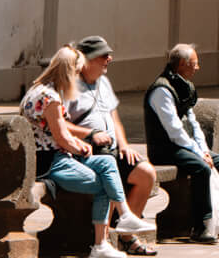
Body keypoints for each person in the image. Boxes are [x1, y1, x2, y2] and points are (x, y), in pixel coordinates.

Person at [21, 45, 156, 252]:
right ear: (69, 70)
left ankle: (126, 215)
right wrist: (82, 147)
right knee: (103, 184)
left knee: (108, 162)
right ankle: (100, 245)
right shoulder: (50, 98)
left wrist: (79, 144)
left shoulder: (38, 90)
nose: (77, 77)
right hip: (51, 163)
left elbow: (60, 135)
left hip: (55, 156)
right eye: (76, 72)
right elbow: (62, 137)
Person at [67, 34, 158, 256]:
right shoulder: (69, 86)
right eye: (103, 55)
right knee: (108, 178)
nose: (109, 59)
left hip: (112, 150)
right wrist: (90, 135)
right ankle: (104, 241)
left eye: (109, 54)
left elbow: (113, 117)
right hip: (87, 152)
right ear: (86, 60)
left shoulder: (104, 83)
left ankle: (126, 235)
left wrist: (125, 145)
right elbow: (59, 124)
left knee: (146, 173)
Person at [144, 43, 219, 243]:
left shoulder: (183, 86)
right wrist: (199, 155)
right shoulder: (161, 90)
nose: (197, 68)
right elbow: (174, 130)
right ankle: (202, 226)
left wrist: (204, 150)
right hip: (165, 149)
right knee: (201, 168)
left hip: (185, 146)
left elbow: (193, 122)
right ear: (182, 64)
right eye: (195, 64)